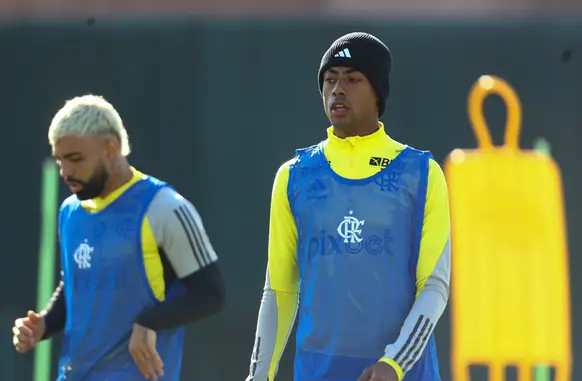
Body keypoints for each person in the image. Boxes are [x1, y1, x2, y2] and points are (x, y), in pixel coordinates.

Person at [245, 32, 450, 381]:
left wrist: (395, 363)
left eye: (353, 79)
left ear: (377, 93)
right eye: (329, 79)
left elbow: (434, 287)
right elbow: (280, 289)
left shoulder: (422, 174)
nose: (338, 89)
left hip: (402, 373)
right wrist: (258, 374)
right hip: (318, 370)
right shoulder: (293, 177)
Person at [12, 95, 226, 381]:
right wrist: (45, 324)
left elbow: (210, 294)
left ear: (110, 148)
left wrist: (149, 322)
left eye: (75, 159)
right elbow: (76, 284)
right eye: (60, 161)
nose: (66, 172)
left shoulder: (164, 207)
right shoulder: (70, 211)